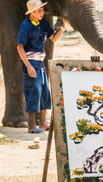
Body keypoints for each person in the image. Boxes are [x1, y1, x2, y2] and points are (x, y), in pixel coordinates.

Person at [17, 0, 69, 133]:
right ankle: (31, 125)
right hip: (31, 63)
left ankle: (43, 123)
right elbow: (20, 47)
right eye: (39, 11)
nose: (42, 13)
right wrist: (28, 66)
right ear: (32, 12)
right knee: (33, 92)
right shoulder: (25, 26)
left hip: (40, 63)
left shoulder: (43, 23)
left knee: (44, 92)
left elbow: (53, 38)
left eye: (42, 10)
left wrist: (63, 28)